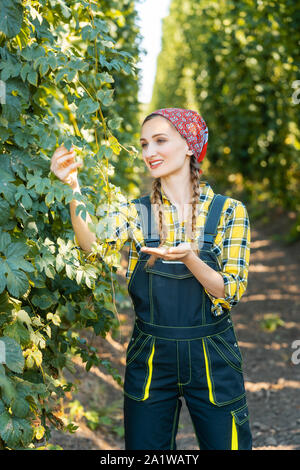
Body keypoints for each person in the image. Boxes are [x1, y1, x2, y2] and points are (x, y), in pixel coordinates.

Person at [50, 107, 252, 450]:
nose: (149, 153)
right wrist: (73, 186)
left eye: (160, 141)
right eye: (144, 144)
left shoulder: (228, 211)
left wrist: (190, 258)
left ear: (189, 146)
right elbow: (92, 248)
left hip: (213, 352)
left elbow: (229, 290)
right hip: (151, 352)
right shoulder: (136, 211)